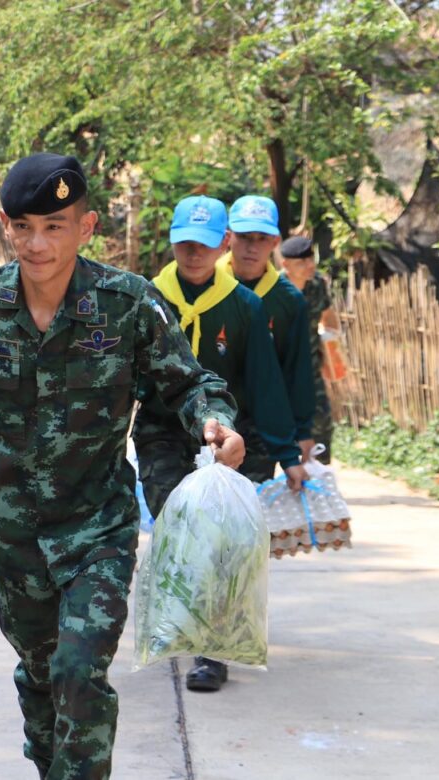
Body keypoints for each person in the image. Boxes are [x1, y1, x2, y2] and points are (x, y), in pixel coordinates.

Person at [0, 153, 244, 780]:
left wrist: (213, 419)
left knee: (77, 671)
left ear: (87, 226)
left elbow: (186, 382)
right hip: (15, 531)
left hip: (98, 526)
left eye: (55, 225)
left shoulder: (127, 304)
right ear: (5, 225)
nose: (36, 244)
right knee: (40, 675)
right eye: (22, 226)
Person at [133, 195, 308, 693]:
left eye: (204, 245)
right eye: (185, 244)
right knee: (177, 530)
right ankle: (175, 623)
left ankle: (212, 650)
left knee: (224, 542)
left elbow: (267, 383)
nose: (193, 255)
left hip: (232, 437)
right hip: (163, 432)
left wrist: (289, 453)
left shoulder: (245, 306)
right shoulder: (145, 299)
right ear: (171, 241)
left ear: (223, 244)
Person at [220, 196, 316, 472]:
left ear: (275, 242)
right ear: (228, 238)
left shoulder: (289, 301)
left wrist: (303, 430)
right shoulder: (206, 283)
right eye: (244, 236)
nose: (252, 247)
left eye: (262, 238)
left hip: (261, 429)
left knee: (249, 509)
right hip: (207, 423)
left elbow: (297, 370)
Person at [279, 235, 342, 462]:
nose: (310, 266)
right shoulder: (274, 289)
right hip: (279, 372)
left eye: (310, 260)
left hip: (311, 371)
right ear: (285, 265)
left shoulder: (317, 286)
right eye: (302, 263)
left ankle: (319, 478)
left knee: (322, 426)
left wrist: (332, 354)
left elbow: (329, 319)